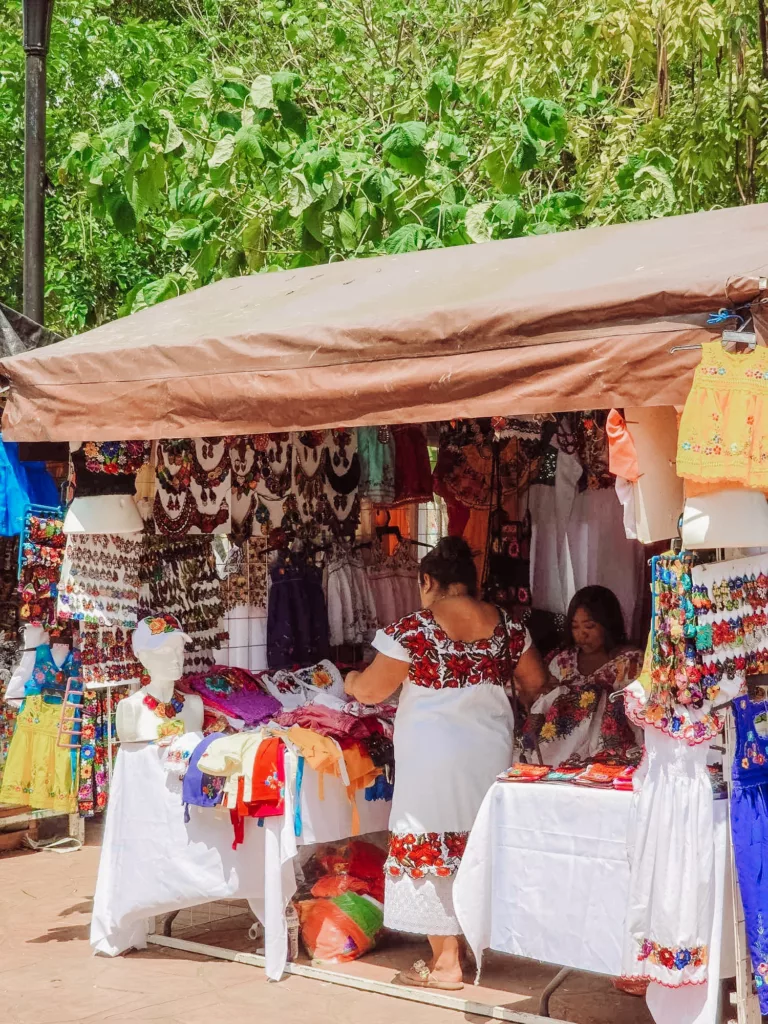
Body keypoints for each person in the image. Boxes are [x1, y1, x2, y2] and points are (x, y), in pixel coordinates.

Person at [344, 536, 547, 990]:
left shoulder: (414, 629)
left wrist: (353, 680)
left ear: (428, 581)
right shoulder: (509, 627)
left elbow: (374, 691)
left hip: (431, 758)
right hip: (489, 752)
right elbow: (534, 681)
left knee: (430, 844)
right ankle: (478, 946)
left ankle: (445, 963)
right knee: (475, 843)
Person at [523, 585, 643, 766]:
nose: (582, 634)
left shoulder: (629, 661)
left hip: (612, 758)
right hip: (561, 758)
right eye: (575, 627)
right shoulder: (562, 661)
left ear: (608, 624)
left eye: (589, 626)